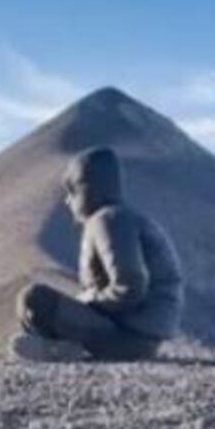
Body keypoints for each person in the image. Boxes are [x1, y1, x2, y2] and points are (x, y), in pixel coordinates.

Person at [10, 146, 184, 362]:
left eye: (70, 192)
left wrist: (88, 302)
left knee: (34, 299)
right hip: (143, 336)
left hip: (128, 337)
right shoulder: (123, 218)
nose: (67, 202)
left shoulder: (108, 220)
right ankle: (61, 348)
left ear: (84, 190)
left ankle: (56, 349)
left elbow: (130, 288)